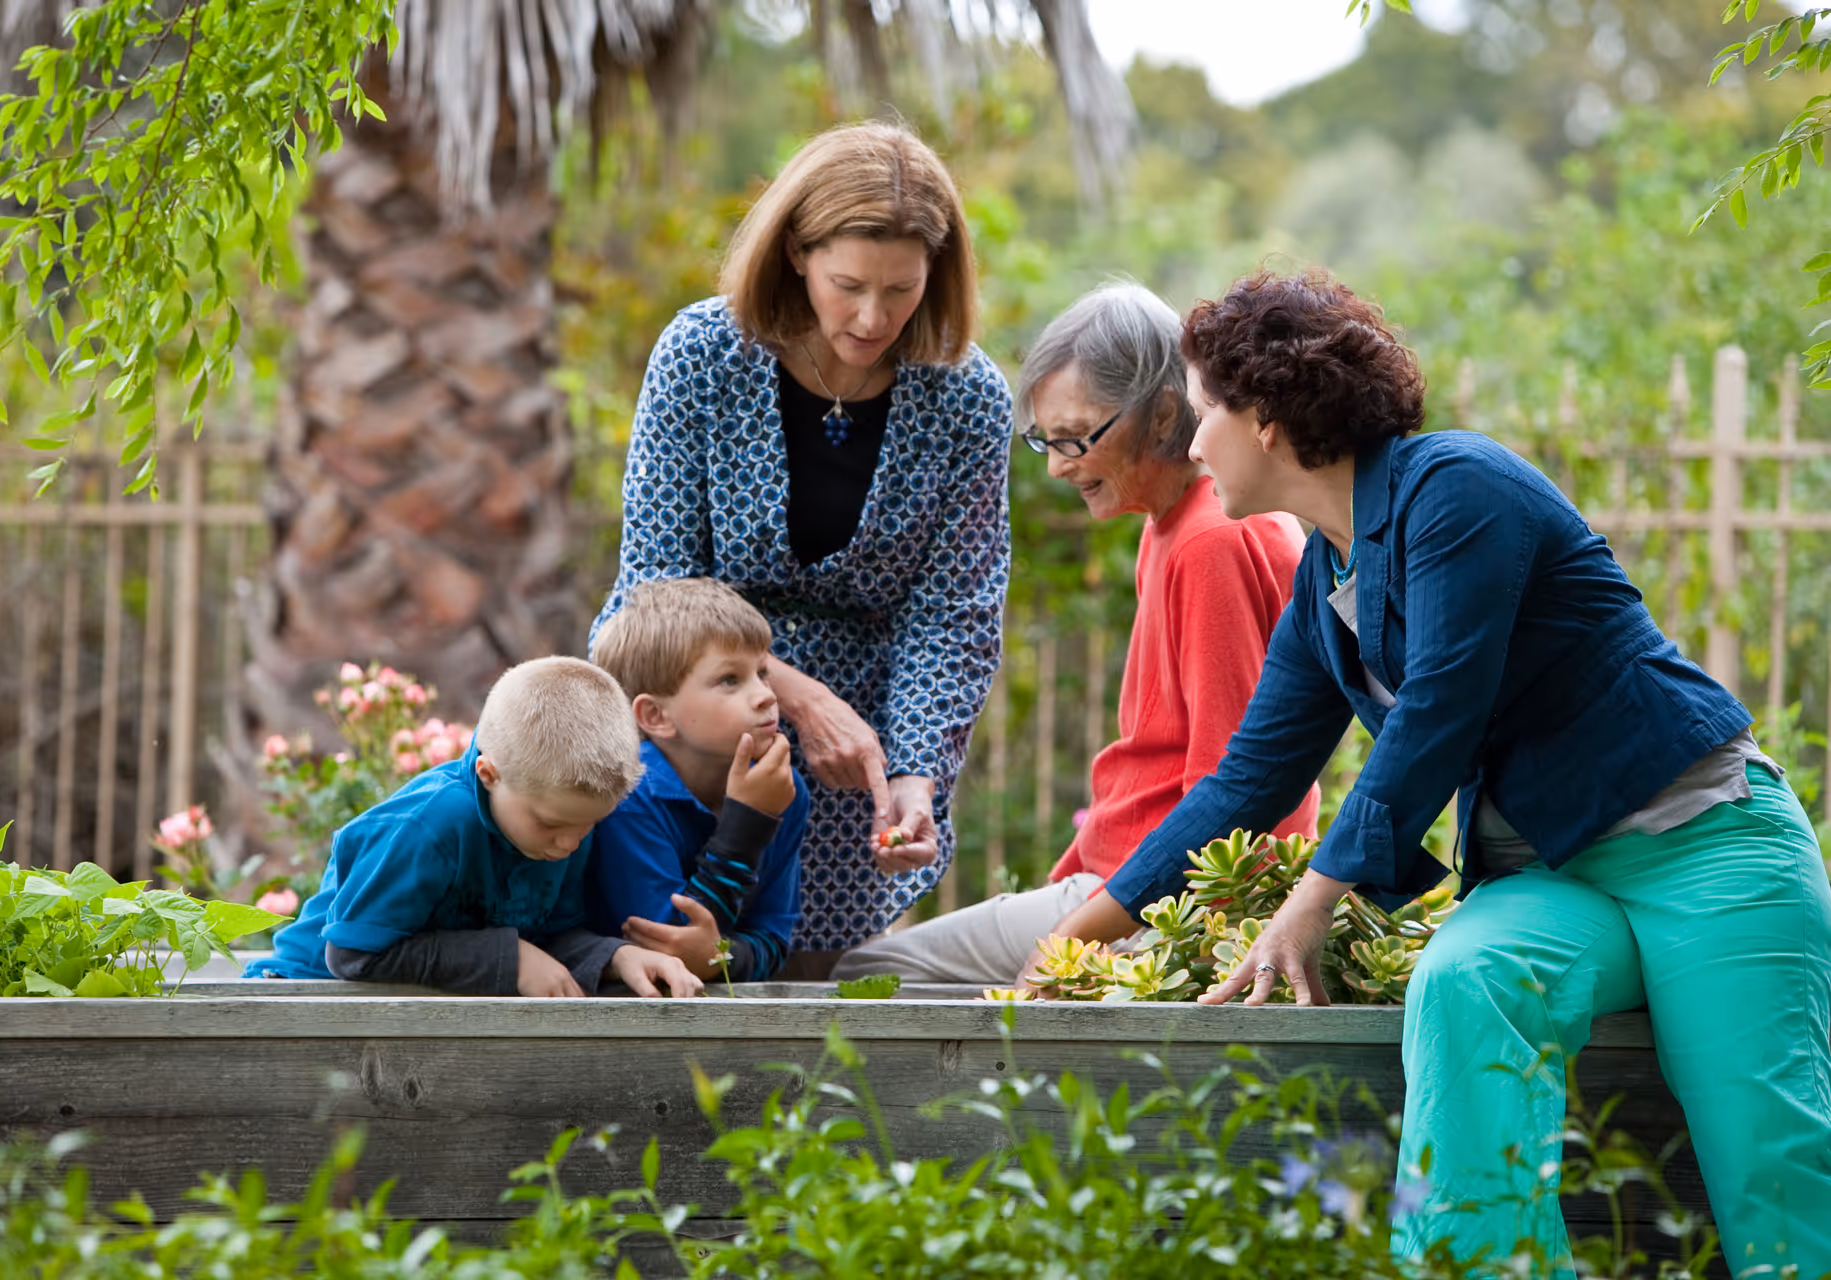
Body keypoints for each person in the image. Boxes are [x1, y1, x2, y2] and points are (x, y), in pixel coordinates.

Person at [1028, 268, 1831, 1274]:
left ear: (1267, 416)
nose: (1189, 445)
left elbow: (1442, 709)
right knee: (1464, 977)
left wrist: (1314, 895)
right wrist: (1065, 943)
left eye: (1203, 415)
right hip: (1555, 876)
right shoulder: (1323, 579)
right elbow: (1245, 783)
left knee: (1772, 1175)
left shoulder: (1457, 488)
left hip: (1706, 847)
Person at [591, 121, 1012, 977]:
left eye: (901, 290)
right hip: (685, 707)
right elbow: (656, 584)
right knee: (657, 954)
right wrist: (796, 696)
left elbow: (954, 613)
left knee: (806, 984)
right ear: (794, 253)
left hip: (866, 745)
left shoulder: (969, 398)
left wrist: (912, 775)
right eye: (848, 284)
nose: (872, 317)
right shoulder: (704, 355)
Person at [832, 282, 1316, 986]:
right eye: (1044, 440)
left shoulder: (1214, 538)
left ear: (1161, 418)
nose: (1056, 465)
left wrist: (1078, 937)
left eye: (1075, 438)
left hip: (1156, 902)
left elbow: (1234, 792)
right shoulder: (1173, 519)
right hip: (1119, 880)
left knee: (863, 978)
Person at [246, 657, 702, 998]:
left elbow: (548, 934)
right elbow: (353, 955)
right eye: (550, 823)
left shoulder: (563, 826)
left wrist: (615, 957)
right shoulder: (428, 826)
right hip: (306, 998)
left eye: (588, 826)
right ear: (489, 773)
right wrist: (511, 957)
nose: (569, 844)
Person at [587, 578, 809, 984]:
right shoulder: (629, 797)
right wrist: (746, 827)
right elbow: (670, 949)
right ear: (656, 716)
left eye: (762, 673)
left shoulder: (784, 791)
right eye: (730, 679)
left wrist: (720, 957)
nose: (765, 696)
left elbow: (775, 941)